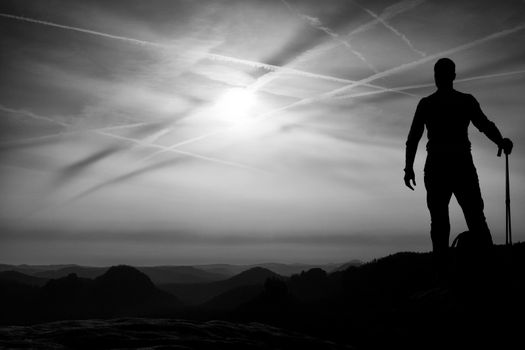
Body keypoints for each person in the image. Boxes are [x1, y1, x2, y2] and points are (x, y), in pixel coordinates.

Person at [404, 58, 513, 255]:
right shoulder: (464, 101)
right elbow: (484, 125)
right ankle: (487, 266)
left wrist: (409, 168)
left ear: (449, 76)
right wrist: (500, 141)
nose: (439, 78)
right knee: (472, 218)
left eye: (441, 74)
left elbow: (413, 138)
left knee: (443, 222)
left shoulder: (429, 104)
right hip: (460, 166)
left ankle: (444, 270)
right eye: (438, 74)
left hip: (439, 167)